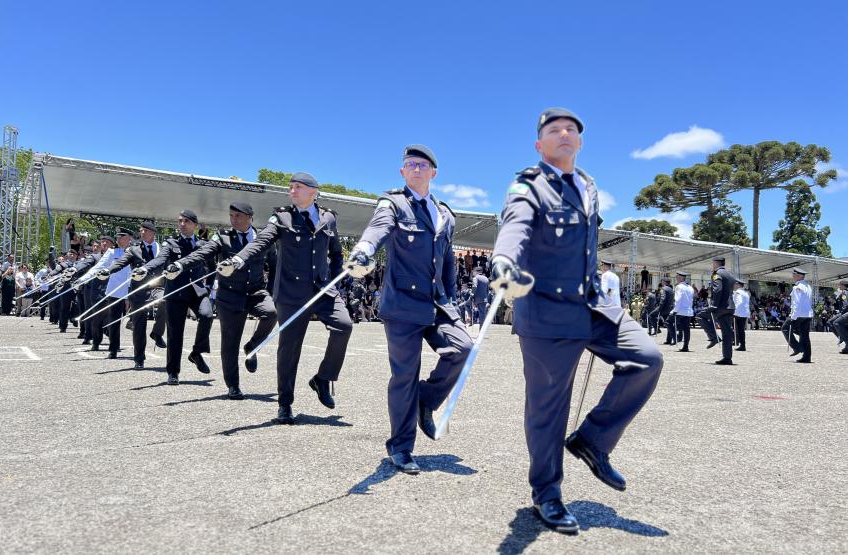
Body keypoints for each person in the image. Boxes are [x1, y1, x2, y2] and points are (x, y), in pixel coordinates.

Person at [490, 107, 662, 534]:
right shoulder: (528, 185)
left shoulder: (588, 185)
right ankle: (547, 494)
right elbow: (515, 226)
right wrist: (502, 262)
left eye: (571, 130)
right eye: (554, 130)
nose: (564, 133)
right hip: (546, 309)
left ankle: (592, 440)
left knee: (647, 357)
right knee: (549, 410)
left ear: (580, 142)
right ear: (540, 144)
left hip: (589, 304)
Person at [348, 144, 473, 474]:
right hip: (402, 304)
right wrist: (363, 250)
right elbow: (378, 228)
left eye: (422, 165)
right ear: (403, 172)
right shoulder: (393, 203)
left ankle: (425, 400)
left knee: (463, 348)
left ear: (433, 172)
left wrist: (453, 306)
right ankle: (401, 448)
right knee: (405, 375)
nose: (415, 169)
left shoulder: (446, 214)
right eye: (409, 165)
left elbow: (446, 262)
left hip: (436, 302)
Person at [225, 173, 352, 424]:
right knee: (289, 349)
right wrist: (239, 259)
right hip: (292, 293)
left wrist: (337, 279)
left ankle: (323, 378)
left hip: (323, 289)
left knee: (344, 325)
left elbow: (336, 254)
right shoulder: (282, 216)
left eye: (298, 187)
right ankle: (285, 404)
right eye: (290, 187)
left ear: (313, 192)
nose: (292, 191)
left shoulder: (328, 217)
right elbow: (262, 240)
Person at [174, 202, 277, 398]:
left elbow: (274, 264)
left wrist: (271, 291)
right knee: (230, 343)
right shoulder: (222, 238)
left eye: (238, 216)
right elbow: (202, 254)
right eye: (231, 216)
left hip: (256, 293)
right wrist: (180, 264)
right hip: (229, 297)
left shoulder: (263, 238)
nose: (233, 220)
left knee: (271, 313)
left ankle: (253, 346)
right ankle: (233, 385)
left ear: (250, 217)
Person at [133, 209, 214, 384]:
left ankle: (196, 353)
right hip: (176, 292)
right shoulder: (170, 243)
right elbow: (160, 259)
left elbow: (212, 265)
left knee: (207, 315)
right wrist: (145, 268)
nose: (182, 224)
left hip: (197, 291)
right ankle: (173, 372)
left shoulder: (203, 245)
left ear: (195, 225)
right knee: (175, 333)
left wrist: (208, 285)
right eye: (180, 221)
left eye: (186, 221)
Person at [101, 222, 167, 369]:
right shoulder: (134, 249)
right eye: (141, 230)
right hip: (138, 291)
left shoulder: (162, 248)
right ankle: (139, 358)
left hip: (157, 287)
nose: (142, 232)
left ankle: (157, 333)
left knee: (165, 301)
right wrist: (108, 271)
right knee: (139, 326)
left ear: (153, 233)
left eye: (145, 230)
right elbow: (121, 262)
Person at [82, 231, 133, 358]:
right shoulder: (112, 253)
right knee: (111, 320)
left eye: (122, 237)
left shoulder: (135, 251)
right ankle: (112, 348)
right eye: (118, 237)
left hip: (128, 291)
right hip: (113, 290)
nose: (119, 239)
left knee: (121, 320)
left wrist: (128, 296)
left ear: (129, 239)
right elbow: (98, 267)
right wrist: (83, 278)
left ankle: (138, 351)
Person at [698, 257, 736, 365]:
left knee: (700, 316)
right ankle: (727, 358)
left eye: (713, 263)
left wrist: (714, 305)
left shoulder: (717, 273)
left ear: (715, 263)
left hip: (720, 307)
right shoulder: (729, 274)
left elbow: (717, 289)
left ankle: (713, 337)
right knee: (727, 333)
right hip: (730, 307)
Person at [782, 268, 813, 363]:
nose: (793, 276)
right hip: (807, 314)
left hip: (799, 314)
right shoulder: (808, 286)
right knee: (804, 335)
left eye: (794, 274)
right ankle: (806, 357)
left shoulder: (797, 287)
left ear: (799, 276)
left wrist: (793, 316)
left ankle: (797, 347)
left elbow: (797, 303)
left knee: (785, 328)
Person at [669, 271, 694, 352]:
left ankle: (677, 338)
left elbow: (678, 300)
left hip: (680, 310)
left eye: (677, 276)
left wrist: (674, 311)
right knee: (686, 329)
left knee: (668, 322)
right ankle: (685, 346)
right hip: (688, 311)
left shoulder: (679, 287)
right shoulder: (690, 287)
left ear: (681, 277)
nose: (676, 278)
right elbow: (691, 300)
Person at [830, 280, 848, 354]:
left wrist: (841, 314)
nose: (839, 286)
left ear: (843, 285)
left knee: (836, 323)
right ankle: (841, 337)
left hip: (845, 312)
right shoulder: (844, 292)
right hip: (844, 312)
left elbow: (845, 304)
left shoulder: (844, 293)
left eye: (840, 285)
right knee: (830, 322)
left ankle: (844, 339)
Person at [732, 278, 750, 351]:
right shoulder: (745, 293)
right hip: (744, 313)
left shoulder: (738, 292)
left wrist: (734, 312)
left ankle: (738, 343)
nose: (734, 285)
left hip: (738, 313)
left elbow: (739, 303)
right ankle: (742, 345)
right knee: (741, 330)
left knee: (737, 329)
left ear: (738, 284)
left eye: (735, 284)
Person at [658, 278, 674, 344]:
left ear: (664, 282)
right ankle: (669, 339)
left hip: (664, 309)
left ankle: (674, 337)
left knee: (651, 316)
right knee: (669, 324)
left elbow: (663, 299)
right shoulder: (671, 289)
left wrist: (659, 309)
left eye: (662, 281)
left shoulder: (663, 289)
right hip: (670, 308)